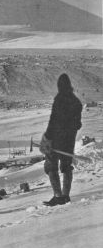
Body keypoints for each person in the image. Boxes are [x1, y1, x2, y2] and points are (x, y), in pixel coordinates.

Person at [40, 74, 82, 206]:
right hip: (69, 142)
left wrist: (47, 136)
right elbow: (78, 124)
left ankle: (58, 196)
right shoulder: (77, 102)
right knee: (66, 167)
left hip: (56, 140)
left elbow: (53, 121)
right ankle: (66, 196)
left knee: (51, 166)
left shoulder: (59, 99)